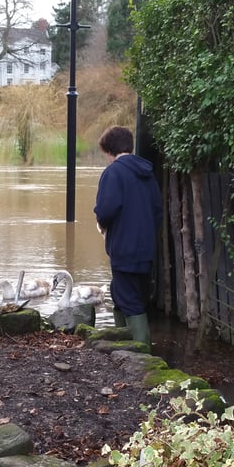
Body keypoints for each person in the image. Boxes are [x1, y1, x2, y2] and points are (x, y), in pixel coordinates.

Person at [94, 125, 162, 350]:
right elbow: (156, 210)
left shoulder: (114, 172)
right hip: (145, 248)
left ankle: (142, 354)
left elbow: (105, 209)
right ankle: (124, 343)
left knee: (130, 301)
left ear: (109, 151)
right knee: (121, 293)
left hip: (124, 248)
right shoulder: (147, 173)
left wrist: (101, 224)